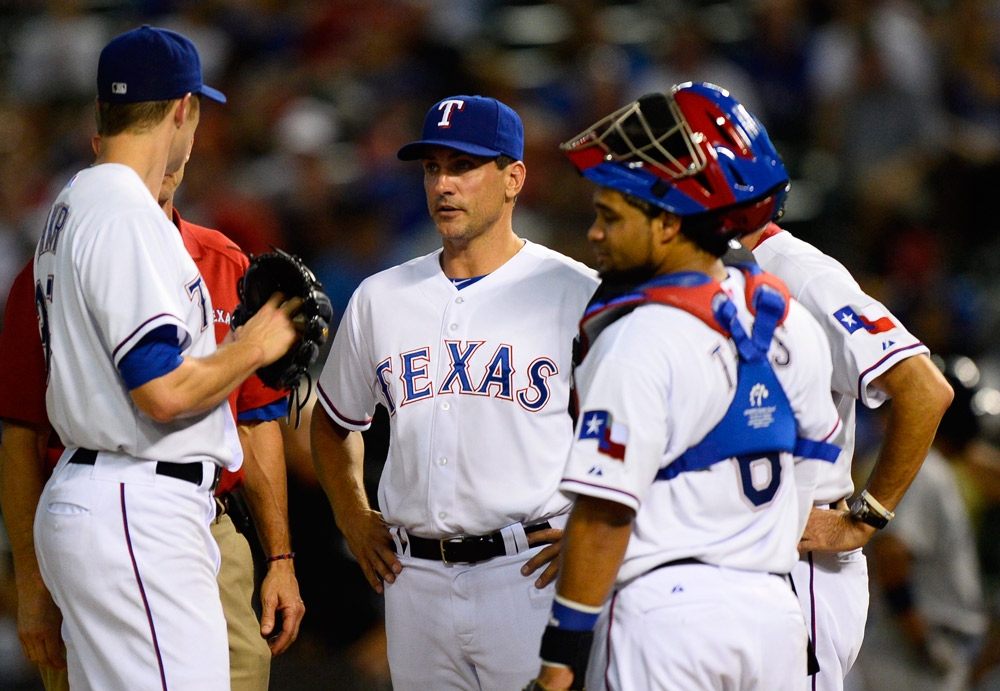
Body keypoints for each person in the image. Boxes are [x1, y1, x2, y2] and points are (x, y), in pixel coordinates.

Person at [527, 83, 844, 691]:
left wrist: (558, 664)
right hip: (776, 615)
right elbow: (816, 472)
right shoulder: (792, 322)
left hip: (666, 617)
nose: (595, 234)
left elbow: (601, 516)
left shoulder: (639, 338)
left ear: (668, 224)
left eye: (611, 216)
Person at [27, 25, 302, 690]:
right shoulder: (125, 210)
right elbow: (163, 390)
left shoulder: (72, 202)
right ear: (184, 108)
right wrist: (253, 346)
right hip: (136, 502)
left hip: (103, 493)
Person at [309, 94, 600, 690]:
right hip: (413, 580)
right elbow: (333, 421)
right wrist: (352, 515)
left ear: (513, 177)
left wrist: (591, 528)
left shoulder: (575, 292)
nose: (444, 184)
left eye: (463, 166)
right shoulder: (380, 296)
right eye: (432, 167)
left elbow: (637, 429)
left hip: (530, 574)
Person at [739, 187, 953, 690]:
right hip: (734, 546)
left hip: (800, 558)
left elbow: (924, 389)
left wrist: (865, 518)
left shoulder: (799, 272)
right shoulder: (704, 274)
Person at [853, 354, 988, 691]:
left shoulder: (934, 466)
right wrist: (920, 637)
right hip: (907, 652)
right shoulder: (923, 469)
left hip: (921, 644)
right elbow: (892, 554)